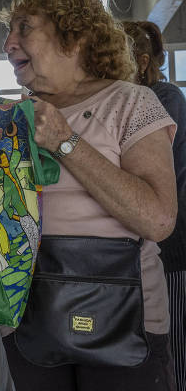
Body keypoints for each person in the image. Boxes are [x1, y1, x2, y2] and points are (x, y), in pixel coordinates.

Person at [0, 0, 177, 390]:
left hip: (125, 318)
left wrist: (66, 141)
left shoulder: (131, 102)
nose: (8, 43)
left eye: (24, 27)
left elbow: (158, 219)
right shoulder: (10, 116)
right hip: (27, 315)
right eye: (8, 31)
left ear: (73, 37)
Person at [123, 20, 186, 390]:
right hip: (145, 245)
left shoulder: (163, 98)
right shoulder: (128, 99)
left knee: (171, 340)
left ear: (142, 61)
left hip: (172, 243)